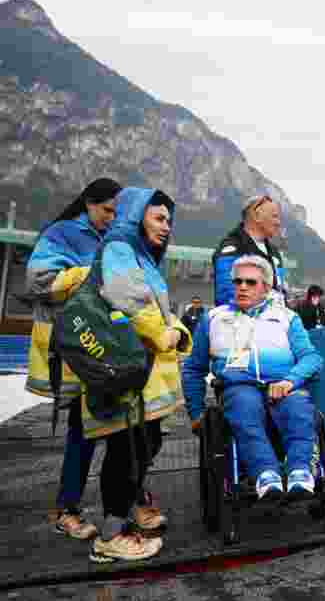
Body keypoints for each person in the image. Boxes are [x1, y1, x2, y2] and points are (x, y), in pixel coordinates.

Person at [84, 187, 193, 562]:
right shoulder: (119, 249)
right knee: (124, 451)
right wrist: (166, 334)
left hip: (146, 376)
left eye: (169, 221)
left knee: (142, 446)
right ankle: (110, 536)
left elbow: (161, 310)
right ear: (135, 215)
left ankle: (126, 515)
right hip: (128, 372)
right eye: (159, 218)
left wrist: (177, 332)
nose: (166, 227)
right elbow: (129, 300)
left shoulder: (143, 258)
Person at [23, 177, 121, 540]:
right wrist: (91, 275)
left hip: (106, 345)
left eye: (117, 212)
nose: (112, 218)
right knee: (85, 427)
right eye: (106, 210)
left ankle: (122, 505)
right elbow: (37, 282)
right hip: (74, 347)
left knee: (119, 427)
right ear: (88, 203)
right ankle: (67, 508)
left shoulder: (111, 239)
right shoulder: (62, 233)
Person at [182, 255, 323, 502]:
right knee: (244, 406)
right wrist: (196, 413)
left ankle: (300, 471)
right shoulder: (213, 319)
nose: (242, 287)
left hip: (282, 384)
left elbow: (311, 358)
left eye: (250, 282)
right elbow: (193, 368)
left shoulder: (288, 318)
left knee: (299, 408)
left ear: (266, 288)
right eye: (237, 281)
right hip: (238, 386)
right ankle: (265, 474)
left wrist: (290, 381)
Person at [213, 195, 287, 308]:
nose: (278, 222)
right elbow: (226, 295)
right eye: (275, 216)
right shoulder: (232, 248)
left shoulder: (275, 254)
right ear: (256, 216)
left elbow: (281, 293)